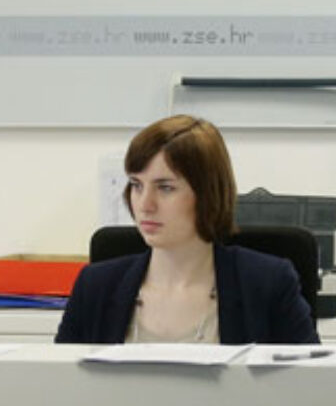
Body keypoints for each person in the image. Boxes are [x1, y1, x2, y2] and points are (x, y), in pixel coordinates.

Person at [55, 115, 316, 345]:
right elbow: (60, 380)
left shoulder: (267, 284)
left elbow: (312, 381)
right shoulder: (95, 286)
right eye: (136, 185)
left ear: (208, 194)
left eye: (165, 188)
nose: (145, 205)